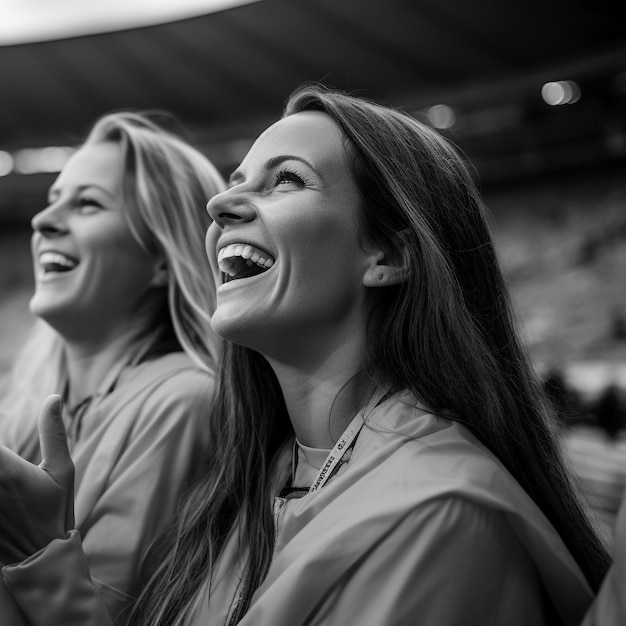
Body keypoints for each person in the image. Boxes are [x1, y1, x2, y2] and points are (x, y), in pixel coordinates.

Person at [0, 84, 621, 625]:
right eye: (237, 182)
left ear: (388, 257)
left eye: (286, 179)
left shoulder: (439, 515)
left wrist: (41, 555)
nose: (218, 205)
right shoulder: (262, 476)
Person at [0, 111, 225, 623]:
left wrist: (30, 548)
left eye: (87, 204)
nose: (41, 222)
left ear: (162, 258)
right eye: (52, 199)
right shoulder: (24, 405)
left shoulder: (183, 401)